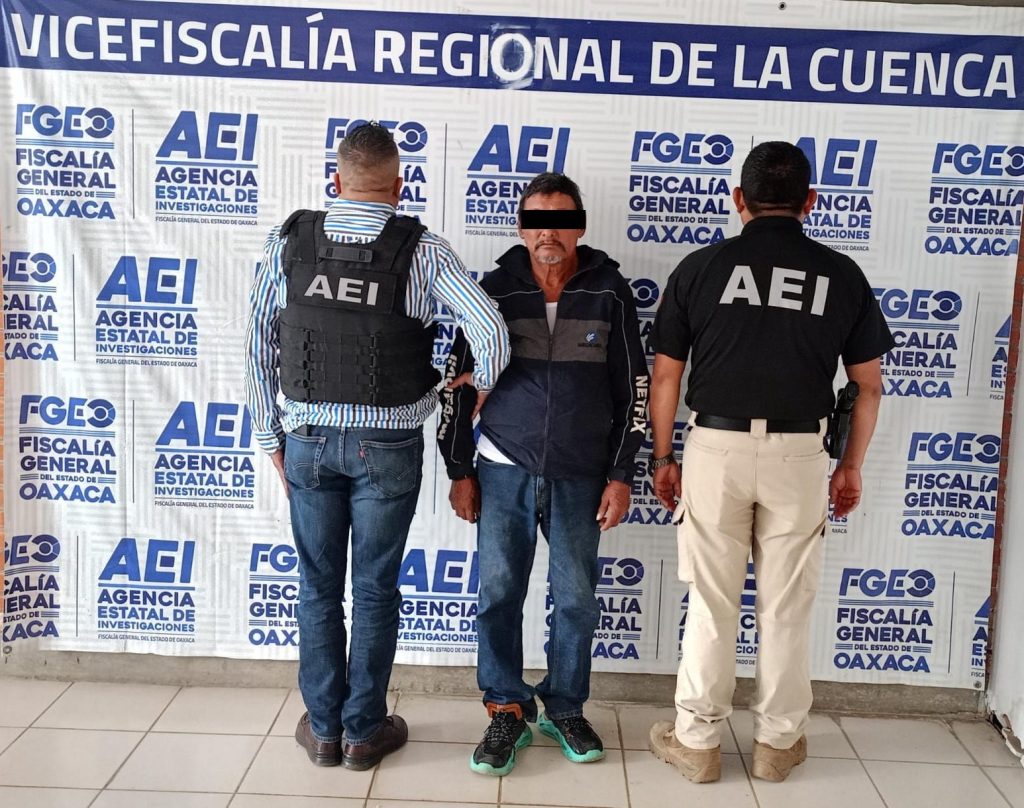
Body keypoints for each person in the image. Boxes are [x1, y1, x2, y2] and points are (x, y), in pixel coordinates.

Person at [244, 122, 509, 770]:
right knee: (374, 589)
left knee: (317, 588)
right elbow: (493, 333)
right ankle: (363, 732)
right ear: (399, 185)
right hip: (387, 446)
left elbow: (257, 340)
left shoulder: (289, 241)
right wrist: (472, 386)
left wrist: (267, 434)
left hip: (306, 441)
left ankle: (323, 730)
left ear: (336, 181)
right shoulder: (424, 251)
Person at [646, 141, 894, 784]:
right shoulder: (841, 274)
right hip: (800, 454)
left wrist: (664, 455)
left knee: (712, 603)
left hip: (715, 449)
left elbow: (666, 377)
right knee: (785, 607)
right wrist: (850, 466)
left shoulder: (701, 267)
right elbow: (867, 386)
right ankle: (777, 746)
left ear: (739, 200)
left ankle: (698, 742)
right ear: (810, 202)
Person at [438, 172, 649, 776]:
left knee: (577, 598)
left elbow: (634, 390)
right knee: (499, 593)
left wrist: (620, 474)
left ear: (578, 226)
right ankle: (506, 708)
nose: (547, 233)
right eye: (536, 221)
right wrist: (459, 468)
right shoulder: (493, 291)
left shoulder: (610, 292)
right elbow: (458, 386)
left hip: (582, 474)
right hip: (503, 467)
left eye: (559, 220)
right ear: (521, 227)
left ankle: (565, 707)